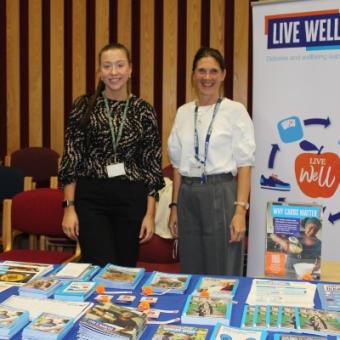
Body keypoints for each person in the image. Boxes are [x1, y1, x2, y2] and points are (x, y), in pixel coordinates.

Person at [58, 43, 164, 267]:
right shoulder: (83, 106)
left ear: (130, 69)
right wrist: (69, 207)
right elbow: (72, 159)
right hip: (92, 199)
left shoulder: (143, 110)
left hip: (131, 199)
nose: (114, 72)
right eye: (107, 66)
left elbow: (152, 167)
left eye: (119, 65)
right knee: (98, 267)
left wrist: (149, 215)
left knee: (124, 270)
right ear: (99, 71)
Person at [167, 47, 255, 275]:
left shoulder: (235, 111)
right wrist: (174, 207)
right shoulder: (183, 112)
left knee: (221, 270)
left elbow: (245, 165)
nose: (207, 77)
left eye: (213, 71)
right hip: (187, 194)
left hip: (221, 192)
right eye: (202, 71)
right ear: (194, 75)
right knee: (191, 268)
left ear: (223, 74)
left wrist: (240, 212)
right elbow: (177, 166)